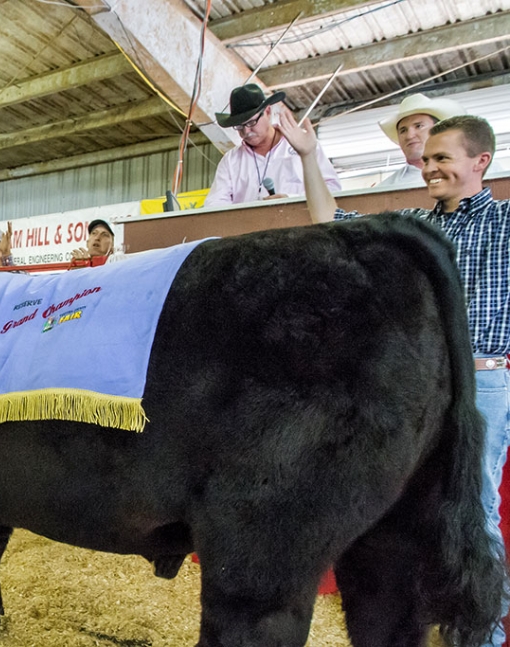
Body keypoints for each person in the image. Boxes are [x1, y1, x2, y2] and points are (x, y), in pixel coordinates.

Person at [281, 110, 510, 646]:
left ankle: (481, 633)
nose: (429, 167)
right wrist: (309, 155)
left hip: (484, 382)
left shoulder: (505, 224)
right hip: (421, 388)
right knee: (416, 507)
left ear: (481, 162)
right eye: (427, 158)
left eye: (442, 158)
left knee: (473, 504)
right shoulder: (416, 227)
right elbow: (331, 222)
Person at [205, 84, 341, 206]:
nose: (246, 131)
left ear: (268, 112)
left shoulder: (302, 143)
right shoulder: (231, 160)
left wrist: (292, 200)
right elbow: (215, 204)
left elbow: (333, 189)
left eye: (251, 123)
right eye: (239, 126)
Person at [377, 93, 464, 187]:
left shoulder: (469, 173)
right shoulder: (386, 188)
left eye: (419, 126)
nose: (409, 136)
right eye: (403, 130)